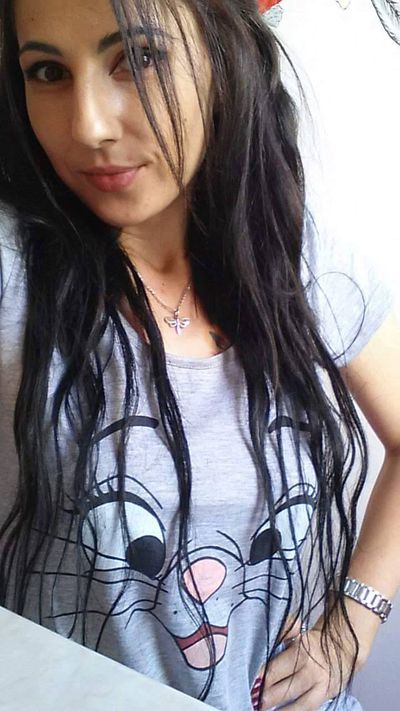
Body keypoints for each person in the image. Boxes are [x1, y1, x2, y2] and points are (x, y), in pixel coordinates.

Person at [0, 1, 399, 710]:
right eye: (48, 72)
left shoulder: (310, 266)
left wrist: (353, 627)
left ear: (224, 56)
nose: (87, 125)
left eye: (140, 58)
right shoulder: (16, 274)